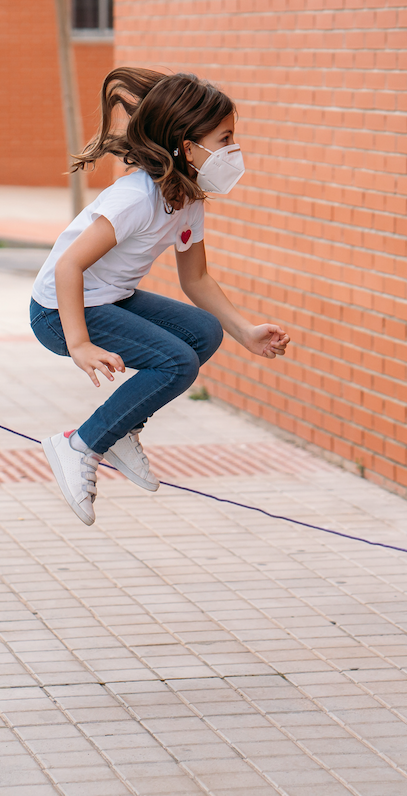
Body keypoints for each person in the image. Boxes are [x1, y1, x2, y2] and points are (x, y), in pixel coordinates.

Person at [30, 68, 291, 525]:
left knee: (205, 333)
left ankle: (124, 428)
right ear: (189, 147)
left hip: (108, 298)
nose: (233, 151)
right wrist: (79, 345)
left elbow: (197, 279)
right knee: (176, 362)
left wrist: (245, 331)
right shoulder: (135, 199)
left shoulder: (188, 198)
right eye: (225, 139)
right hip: (58, 310)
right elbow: (69, 265)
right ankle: (80, 444)